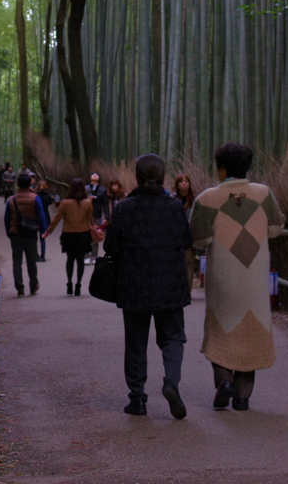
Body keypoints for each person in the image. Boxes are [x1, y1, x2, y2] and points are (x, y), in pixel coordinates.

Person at [190, 142, 285, 412]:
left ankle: (225, 383)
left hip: (223, 276)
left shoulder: (205, 199)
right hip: (254, 277)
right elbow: (276, 229)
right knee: (251, 332)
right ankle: (242, 398)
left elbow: (201, 239)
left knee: (221, 329)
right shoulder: (264, 193)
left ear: (221, 169)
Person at [104, 153, 192, 420]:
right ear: (164, 177)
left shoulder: (125, 208)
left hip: (134, 285)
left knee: (136, 343)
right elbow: (186, 241)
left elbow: (110, 247)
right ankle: (171, 382)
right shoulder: (175, 207)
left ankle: (138, 400)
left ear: (137, 177)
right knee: (173, 338)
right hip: (170, 284)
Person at [43, 178, 93, 295]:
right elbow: (90, 219)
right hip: (83, 233)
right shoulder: (88, 203)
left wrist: (49, 231)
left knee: (70, 260)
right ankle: (78, 285)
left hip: (69, 234)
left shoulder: (65, 202)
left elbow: (57, 217)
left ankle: (69, 284)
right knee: (80, 260)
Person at [4, 172, 47, 296]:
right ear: (30, 183)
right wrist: (43, 231)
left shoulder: (11, 199)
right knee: (31, 261)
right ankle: (33, 285)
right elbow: (41, 216)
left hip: (15, 234)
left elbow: (7, 219)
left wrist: (9, 232)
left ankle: (20, 288)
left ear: (17, 184)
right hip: (31, 233)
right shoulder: (35, 198)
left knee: (17, 261)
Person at [172, 174, 197, 287]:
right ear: (177, 184)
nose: (184, 183)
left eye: (186, 181)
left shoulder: (194, 200)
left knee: (189, 262)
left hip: (189, 236)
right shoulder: (172, 200)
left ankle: (188, 288)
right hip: (175, 235)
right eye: (181, 181)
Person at [85, 172, 109, 263]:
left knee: (96, 235)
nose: (95, 175)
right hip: (86, 216)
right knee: (87, 236)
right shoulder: (85, 188)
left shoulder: (102, 190)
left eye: (97, 174)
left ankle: (94, 256)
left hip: (97, 215)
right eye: (93, 174)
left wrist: (106, 217)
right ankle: (86, 255)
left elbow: (105, 205)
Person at [35, 179, 54, 261]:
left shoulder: (35, 196)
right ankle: (42, 255)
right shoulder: (48, 196)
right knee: (42, 237)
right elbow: (50, 202)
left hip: (35, 216)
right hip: (45, 216)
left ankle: (36, 255)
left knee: (34, 238)